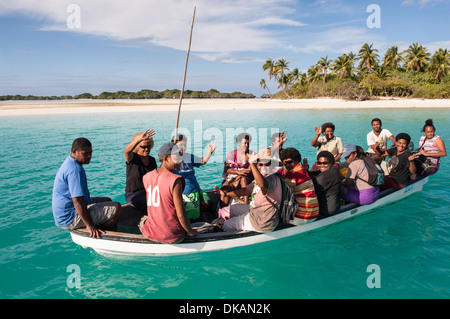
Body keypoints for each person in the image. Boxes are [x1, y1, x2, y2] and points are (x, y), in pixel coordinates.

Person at [52, 138, 122, 238]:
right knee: (117, 208)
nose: (89, 156)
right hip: (69, 217)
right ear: (74, 152)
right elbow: (77, 201)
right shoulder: (75, 170)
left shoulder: (70, 162)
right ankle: (96, 235)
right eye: (85, 153)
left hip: (66, 212)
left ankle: (96, 226)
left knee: (107, 200)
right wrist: (90, 226)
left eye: (90, 153)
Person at [139, 142, 198, 243]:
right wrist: (190, 232)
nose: (180, 160)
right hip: (172, 235)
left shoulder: (146, 177)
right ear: (165, 158)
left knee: (143, 221)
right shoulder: (175, 180)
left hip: (151, 233)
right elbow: (181, 215)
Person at [214, 149, 282, 233]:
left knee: (227, 225)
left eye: (267, 164)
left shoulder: (271, 179)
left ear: (273, 164)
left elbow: (262, 185)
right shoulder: (263, 177)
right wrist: (225, 194)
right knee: (233, 209)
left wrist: (252, 164)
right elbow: (246, 190)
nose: (263, 167)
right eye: (260, 164)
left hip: (262, 222)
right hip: (256, 211)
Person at [172, 134, 216, 221]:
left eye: (185, 145)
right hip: (184, 191)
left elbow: (202, 161)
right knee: (192, 217)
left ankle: (198, 210)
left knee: (208, 203)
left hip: (196, 188)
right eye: (180, 145)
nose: (183, 147)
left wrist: (209, 152)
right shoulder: (171, 159)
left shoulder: (188, 156)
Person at [278, 147, 319, 225]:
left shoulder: (292, 175)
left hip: (302, 218)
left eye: (290, 162)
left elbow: (282, 191)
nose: (287, 165)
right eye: (285, 163)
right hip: (314, 213)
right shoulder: (303, 170)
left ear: (297, 160)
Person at [124, 129, 157, 212]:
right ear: (137, 147)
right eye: (143, 147)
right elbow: (127, 150)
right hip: (133, 195)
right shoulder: (132, 158)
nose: (146, 149)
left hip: (149, 193)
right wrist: (139, 139)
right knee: (152, 202)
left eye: (148, 146)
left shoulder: (152, 160)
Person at [220, 132, 255, 206]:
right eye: (244, 143)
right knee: (225, 188)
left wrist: (239, 175)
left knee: (243, 179)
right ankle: (223, 209)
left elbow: (249, 170)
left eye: (248, 143)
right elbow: (227, 168)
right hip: (233, 177)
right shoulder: (232, 154)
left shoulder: (252, 154)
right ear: (239, 143)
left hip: (246, 178)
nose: (246, 145)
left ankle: (245, 206)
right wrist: (237, 172)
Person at [307, 151, 342, 218]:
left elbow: (310, 186)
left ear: (332, 163)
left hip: (327, 211)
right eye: (319, 163)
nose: (322, 165)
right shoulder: (332, 170)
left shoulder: (329, 175)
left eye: (325, 163)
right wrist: (306, 171)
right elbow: (317, 173)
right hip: (332, 207)